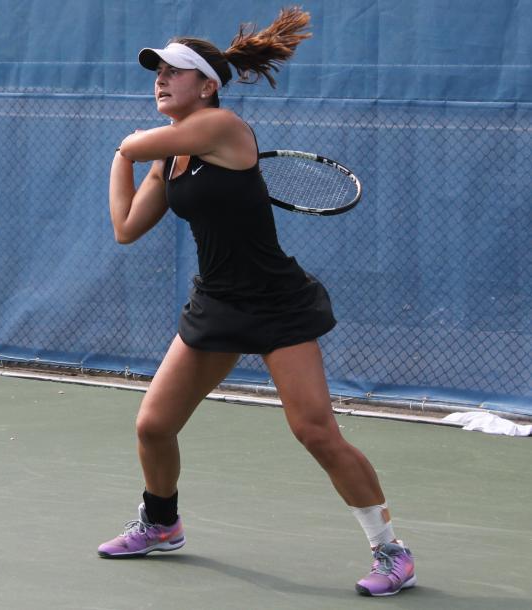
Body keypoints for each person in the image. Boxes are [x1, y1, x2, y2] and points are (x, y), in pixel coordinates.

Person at [99, 6, 416, 598]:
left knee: (315, 430)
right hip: (217, 302)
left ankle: (391, 550)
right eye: (156, 72)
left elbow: (133, 143)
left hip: (276, 303)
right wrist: (125, 159)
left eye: (174, 72)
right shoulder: (168, 154)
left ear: (208, 86)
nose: (160, 80)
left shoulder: (221, 127)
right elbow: (125, 227)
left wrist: (128, 148)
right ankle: (162, 524)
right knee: (153, 426)